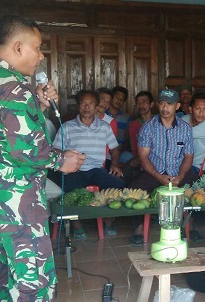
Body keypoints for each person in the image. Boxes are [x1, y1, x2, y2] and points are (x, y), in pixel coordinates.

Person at [0, 15, 85, 301]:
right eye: (38, 48)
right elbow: (28, 150)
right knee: (34, 285)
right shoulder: (14, 88)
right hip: (17, 203)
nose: (41, 56)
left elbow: (4, 138)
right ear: (19, 47)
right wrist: (62, 160)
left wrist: (39, 104)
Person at [128, 88, 198, 245]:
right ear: (157, 105)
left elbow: (188, 156)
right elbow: (143, 156)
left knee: (198, 189)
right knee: (134, 190)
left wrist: (180, 176)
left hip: (178, 172)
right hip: (154, 172)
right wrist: (158, 176)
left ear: (177, 106)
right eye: (162, 103)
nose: (165, 108)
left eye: (170, 104)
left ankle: (191, 224)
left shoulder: (185, 128)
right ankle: (138, 227)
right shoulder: (148, 127)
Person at [53, 90, 126, 238]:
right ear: (78, 106)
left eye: (91, 103)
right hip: (75, 170)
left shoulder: (104, 126)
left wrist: (115, 165)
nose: (87, 107)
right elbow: (55, 150)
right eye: (83, 103)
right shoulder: (67, 127)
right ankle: (76, 224)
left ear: (97, 106)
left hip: (96, 170)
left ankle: (108, 220)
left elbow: (114, 149)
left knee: (118, 185)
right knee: (69, 189)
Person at [123, 90, 155, 183]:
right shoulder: (133, 125)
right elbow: (134, 148)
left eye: (144, 102)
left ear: (151, 104)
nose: (141, 105)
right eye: (138, 103)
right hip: (140, 157)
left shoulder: (158, 122)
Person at [181, 92, 205, 174]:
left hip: (197, 167)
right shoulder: (184, 119)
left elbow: (183, 134)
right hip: (179, 163)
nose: (201, 113)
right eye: (197, 108)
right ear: (191, 109)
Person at [108, 86, 133, 163]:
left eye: (122, 99)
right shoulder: (102, 114)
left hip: (120, 152)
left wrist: (120, 150)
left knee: (130, 157)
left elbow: (127, 139)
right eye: (117, 97)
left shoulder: (127, 118)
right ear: (111, 98)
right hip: (104, 151)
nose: (119, 101)